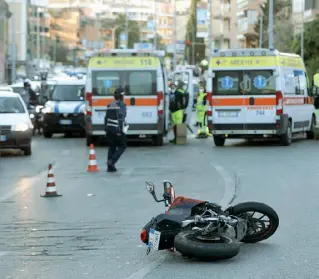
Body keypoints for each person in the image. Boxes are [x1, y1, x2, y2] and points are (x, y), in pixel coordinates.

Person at [104, 86, 127, 172]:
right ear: (122, 96)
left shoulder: (110, 105)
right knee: (123, 146)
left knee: (112, 147)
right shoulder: (122, 105)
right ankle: (112, 161)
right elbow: (121, 117)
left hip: (109, 128)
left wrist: (105, 128)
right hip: (116, 128)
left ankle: (110, 167)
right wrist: (120, 131)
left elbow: (106, 118)